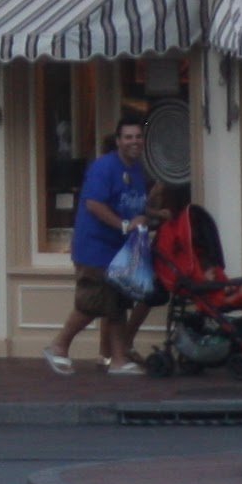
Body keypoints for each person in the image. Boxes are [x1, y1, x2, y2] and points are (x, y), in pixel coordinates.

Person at [46, 114, 153, 377]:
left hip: (119, 250)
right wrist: (125, 226)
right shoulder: (104, 167)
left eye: (138, 136)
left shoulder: (137, 170)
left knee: (115, 304)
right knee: (92, 303)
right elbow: (94, 204)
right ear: (118, 141)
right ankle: (58, 345)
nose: (134, 142)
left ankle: (117, 360)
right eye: (128, 137)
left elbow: (133, 205)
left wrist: (152, 215)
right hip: (95, 249)